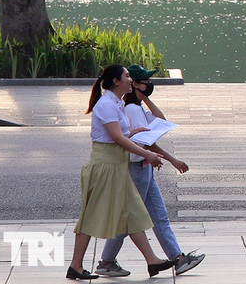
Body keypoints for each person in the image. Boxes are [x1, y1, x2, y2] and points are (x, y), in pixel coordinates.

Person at [67, 65, 177, 281]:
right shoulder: (107, 104)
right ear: (116, 81)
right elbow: (118, 139)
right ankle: (75, 266)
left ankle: (152, 261)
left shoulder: (116, 103)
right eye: (127, 76)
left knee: (132, 213)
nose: (130, 80)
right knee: (91, 217)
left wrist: (136, 132)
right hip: (105, 166)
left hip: (116, 165)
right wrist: (148, 155)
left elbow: (121, 134)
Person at [96, 65, 205, 277]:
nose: (149, 84)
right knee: (129, 218)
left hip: (144, 169)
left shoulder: (136, 107)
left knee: (157, 216)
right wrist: (172, 159)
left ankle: (178, 258)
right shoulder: (131, 109)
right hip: (136, 168)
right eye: (143, 81)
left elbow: (160, 120)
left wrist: (144, 97)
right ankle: (107, 261)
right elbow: (147, 142)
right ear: (133, 84)